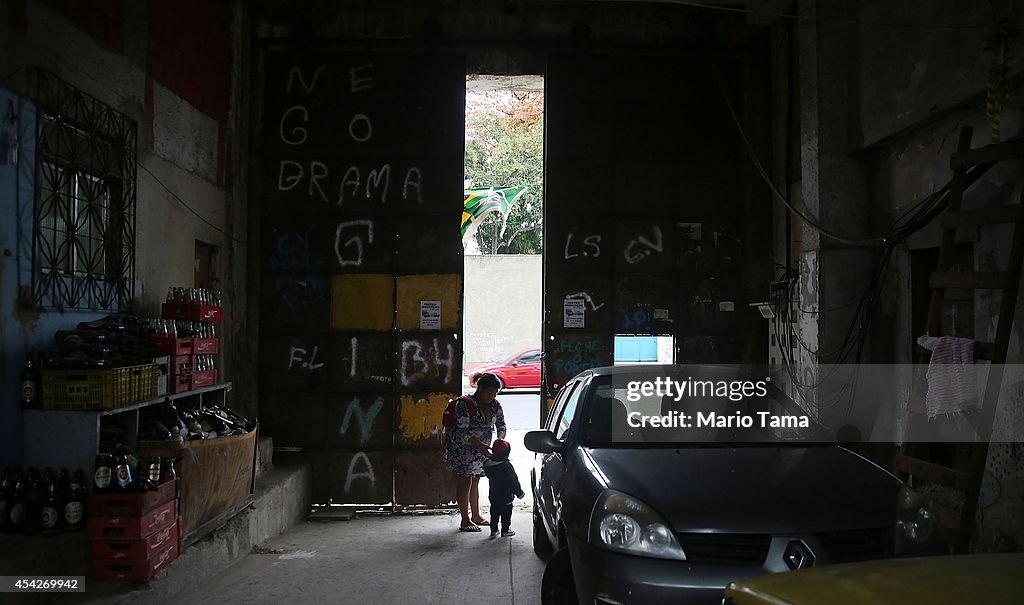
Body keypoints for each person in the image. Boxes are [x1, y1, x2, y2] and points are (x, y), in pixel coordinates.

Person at [443, 373, 507, 532]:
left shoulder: (495, 405)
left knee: (476, 480)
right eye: (488, 392)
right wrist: (481, 446)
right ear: (480, 389)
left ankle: (476, 515)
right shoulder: (464, 404)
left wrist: (500, 440)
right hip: (462, 449)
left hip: (482, 450)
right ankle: (465, 520)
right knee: (464, 482)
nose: (491, 396)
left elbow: (501, 425)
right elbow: (462, 432)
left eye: (494, 393)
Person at [482, 438, 525, 537]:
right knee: (506, 514)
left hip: (493, 495)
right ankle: (505, 530)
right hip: (506, 497)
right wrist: (519, 493)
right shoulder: (507, 467)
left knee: (494, 513)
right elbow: (513, 482)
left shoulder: (488, 465)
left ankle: (494, 530)